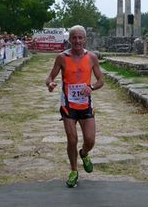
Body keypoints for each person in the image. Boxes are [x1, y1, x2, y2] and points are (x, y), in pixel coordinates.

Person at [45, 25, 104, 188]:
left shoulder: (92, 57)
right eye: (74, 38)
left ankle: (84, 154)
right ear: (69, 39)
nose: (77, 41)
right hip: (68, 106)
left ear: (85, 39)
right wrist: (50, 83)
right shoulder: (62, 57)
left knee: (90, 140)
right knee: (72, 139)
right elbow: (50, 75)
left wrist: (91, 88)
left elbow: (101, 80)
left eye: (80, 38)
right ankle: (73, 170)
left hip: (85, 105)